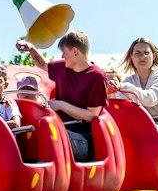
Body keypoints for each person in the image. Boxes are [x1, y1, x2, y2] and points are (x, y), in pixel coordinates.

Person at [17, 31, 106, 162]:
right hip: (59, 129)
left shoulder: (96, 76)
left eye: (64, 52)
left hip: (83, 138)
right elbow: (42, 64)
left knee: (53, 135)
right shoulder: (63, 68)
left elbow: (91, 115)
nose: (62, 56)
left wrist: (61, 105)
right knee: (38, 134)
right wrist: (31, 49)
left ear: (75, 51)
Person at [112, 37, 158, 148]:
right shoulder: (129, 80)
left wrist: (124, 87)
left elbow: (150, 99)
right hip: (136, 127)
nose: (142, 57)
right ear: (131, 57)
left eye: (146, 53)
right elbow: (119, 105)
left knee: (131, 141)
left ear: (154, 55)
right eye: (137, 53)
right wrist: (111, 91)